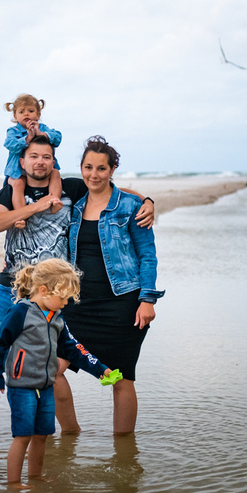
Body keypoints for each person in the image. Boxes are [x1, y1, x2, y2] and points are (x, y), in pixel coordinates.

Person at [0, 134, 154, 430]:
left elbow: (110, 191)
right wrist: (36, 207)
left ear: (54, 162)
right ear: (22, 161)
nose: (40, 162)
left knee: (73, 366)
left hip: (60, 295)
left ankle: (75, 437)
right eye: (34, 156)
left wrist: (146, 201)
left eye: (46, 157)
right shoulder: (11, 190)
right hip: (17, 288)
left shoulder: (71, 189)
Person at [60, 136, 163, 436]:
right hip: (78, 307)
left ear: (112, 169)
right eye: (88, 167)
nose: (94, 174)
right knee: (51, 370)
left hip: (122, 307)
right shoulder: (73, 207)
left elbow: (147, 255)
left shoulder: (130, 206)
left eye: (101, 168)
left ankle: (124, 452)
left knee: (120, 380)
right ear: (81, 168)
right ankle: (71, 435)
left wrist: (148, 300)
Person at [0, 258, 114, 485]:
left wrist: (100, 369)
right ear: (44, 291)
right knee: (23, 436)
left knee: (42, 436)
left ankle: (35, 478)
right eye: (63, 297)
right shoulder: (20, 313)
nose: (66, 303)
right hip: (22, 386)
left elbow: (73, 350)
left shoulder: (56, 318)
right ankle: (14, 484)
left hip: (46, 387)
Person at [3, 94, 62, 214]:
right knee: (18, 184)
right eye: (21, 112)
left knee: (55, 173)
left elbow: (58, 138)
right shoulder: (13, 131)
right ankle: (20, 214)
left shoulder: (43, 128)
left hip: (40, 169)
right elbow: (10, 144)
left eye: (31, 111)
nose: (26, 114)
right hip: (17, 171)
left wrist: (42, 134)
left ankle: (54, 201)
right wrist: (27, 138)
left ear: (38, 115)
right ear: (15, 116)